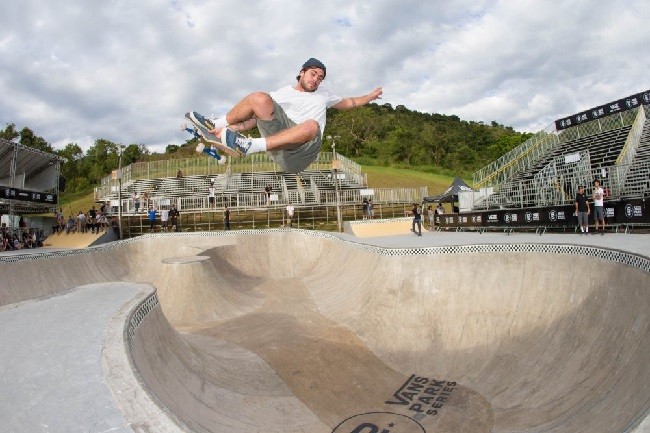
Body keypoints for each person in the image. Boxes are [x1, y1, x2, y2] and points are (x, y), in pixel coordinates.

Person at [189, 57, 383, 173]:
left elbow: (350, 102)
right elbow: (255, 119)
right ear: (302, 72)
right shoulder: (282, 93)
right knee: (259, 98)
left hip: (302, 152)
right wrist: (228, 130)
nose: (316, 80)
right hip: (279, 145)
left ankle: (251, 146)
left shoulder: (325, 95)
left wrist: (370, 96)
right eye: (313, 74)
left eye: (320, 78)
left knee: (312, 125)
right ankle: (214, 123)